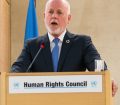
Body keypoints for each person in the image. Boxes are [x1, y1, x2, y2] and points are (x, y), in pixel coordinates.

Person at [11, 0, 118, 96]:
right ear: (44, 17)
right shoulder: (32, 45)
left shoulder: (82, 43)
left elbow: (96, 64)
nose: (54, 16)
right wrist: (9, 80)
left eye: (59, 12)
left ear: (69, 18)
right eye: (50, 12)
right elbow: (18, 68)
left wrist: (107, 77)